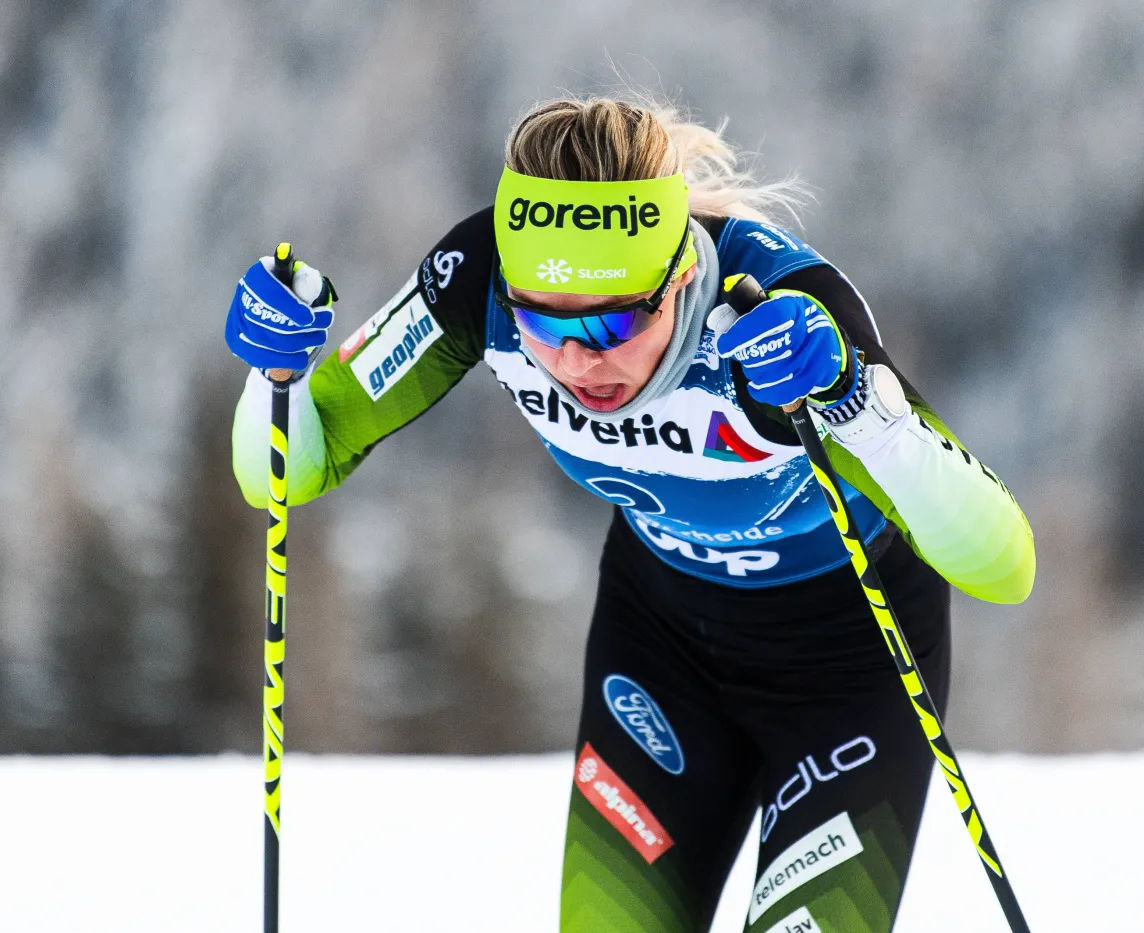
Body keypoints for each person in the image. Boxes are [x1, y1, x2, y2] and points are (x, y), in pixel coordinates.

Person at [224, 97, 1035, 933]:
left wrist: (855, 401)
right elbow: (288, 470)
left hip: (850, 664)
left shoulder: (772, 311)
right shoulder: (478, 280)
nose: (578, 358)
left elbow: (1005, 565)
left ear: (681, 277)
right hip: (663, 651)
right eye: (541, 320)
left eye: (614, 318)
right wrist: (271, 376)